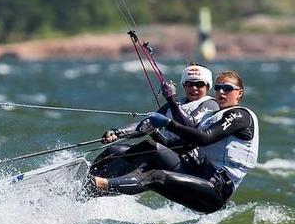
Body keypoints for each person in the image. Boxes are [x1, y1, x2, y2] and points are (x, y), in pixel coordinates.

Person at [88, 70, 259, 214]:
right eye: (219, 88)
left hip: (215, 190)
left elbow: (204, 138)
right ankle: (86, 186)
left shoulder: (240, 115)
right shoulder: (213, 118)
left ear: (240, 93)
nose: (221, 92)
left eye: (227, 89)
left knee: (156, 176)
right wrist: (146, 134)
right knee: (147, 149)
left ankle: (99, 184)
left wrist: (169, 124)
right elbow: (182, 146)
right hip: (198, 173)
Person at [89, 63, 218, 179]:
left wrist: (171, 100)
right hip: (164, 152)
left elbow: (188, 126)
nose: (194, 88)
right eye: (189, 83)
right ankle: (85, 184)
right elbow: (146, 124)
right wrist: (117, 132)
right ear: (183, 85)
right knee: (114, 150)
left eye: (199, 84)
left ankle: (102, 184)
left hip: (187, 164)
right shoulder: (176, 105)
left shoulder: (210, 104)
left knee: (149, 146)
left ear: (208, 86)